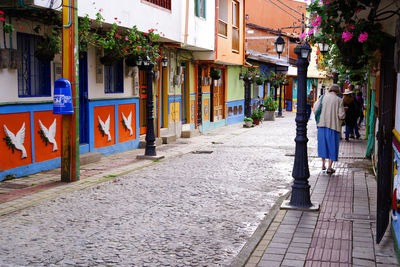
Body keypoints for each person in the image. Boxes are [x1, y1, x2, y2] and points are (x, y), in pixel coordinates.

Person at [313, 84, 346, 174]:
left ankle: (323, 164)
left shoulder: (322, 97)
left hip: (322, 125)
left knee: (322, 145)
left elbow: (315, 108)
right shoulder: (339, 100)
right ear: (337, 91)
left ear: (330, 90)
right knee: (332, 146)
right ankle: (329, 167)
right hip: (333, 126)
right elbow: (341, 115)